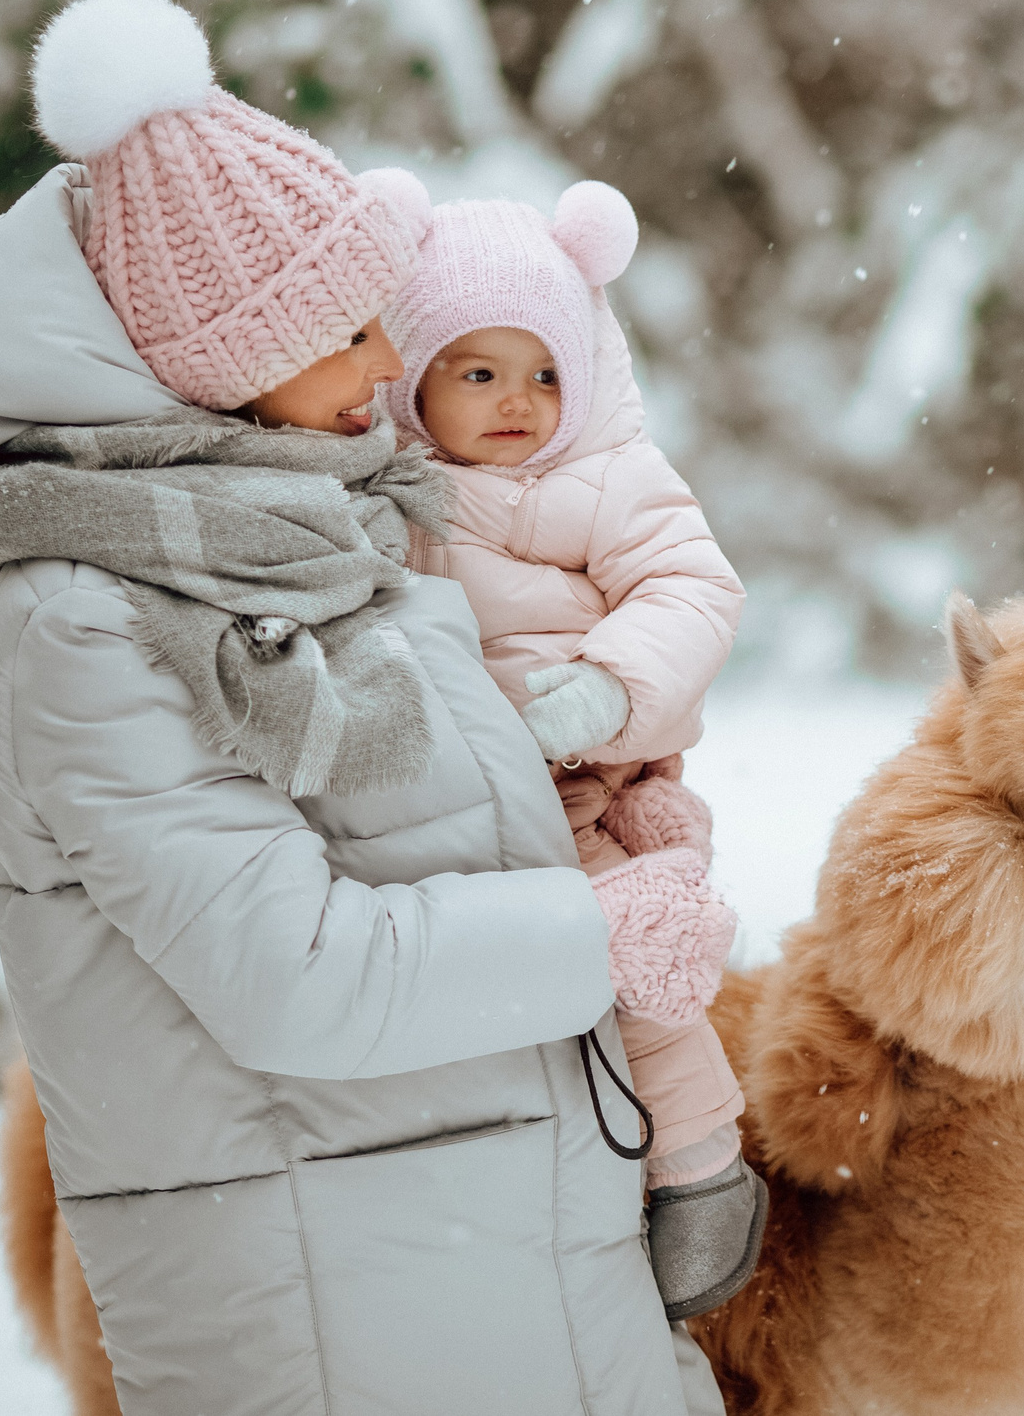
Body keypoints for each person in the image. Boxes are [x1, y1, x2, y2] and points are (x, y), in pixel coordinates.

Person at [0, 0, 724, 1415]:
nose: (395, 370)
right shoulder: (95, 610)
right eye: (347, 330)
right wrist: (598, 931)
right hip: (339, 1320)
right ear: (223, 356)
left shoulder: (328, 540)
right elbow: (297, 970)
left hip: (496, 1281)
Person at [383, 194, 762, 1320]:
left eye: (545, 373)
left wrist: (604, 691)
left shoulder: (612, 472)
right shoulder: (383, 486)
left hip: (576, 782)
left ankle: (697, 1169)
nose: (518, 404)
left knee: (635, 958)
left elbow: (695, 587)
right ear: (412, 375)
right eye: (478, 372)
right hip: (435, 789)